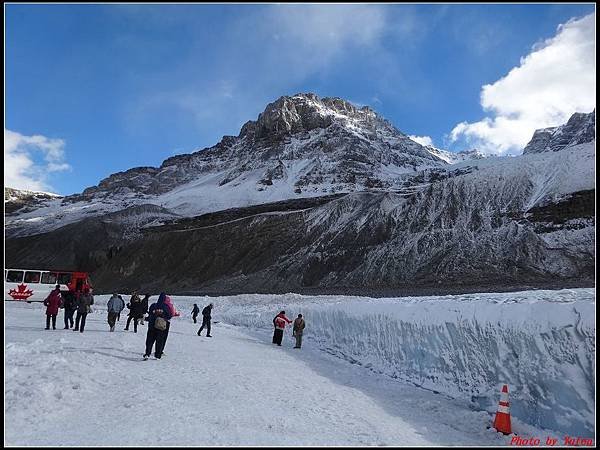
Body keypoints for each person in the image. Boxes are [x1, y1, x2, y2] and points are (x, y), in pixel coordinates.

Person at [143, 293, 172, 360]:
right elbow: (169, 316)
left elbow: (150, 314)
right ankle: (157, 355)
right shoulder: (166, 307)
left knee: (149, 341)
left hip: (151, 326)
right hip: (161, 327)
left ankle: (147, 353)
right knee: (159, 341)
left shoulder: (153, 305)